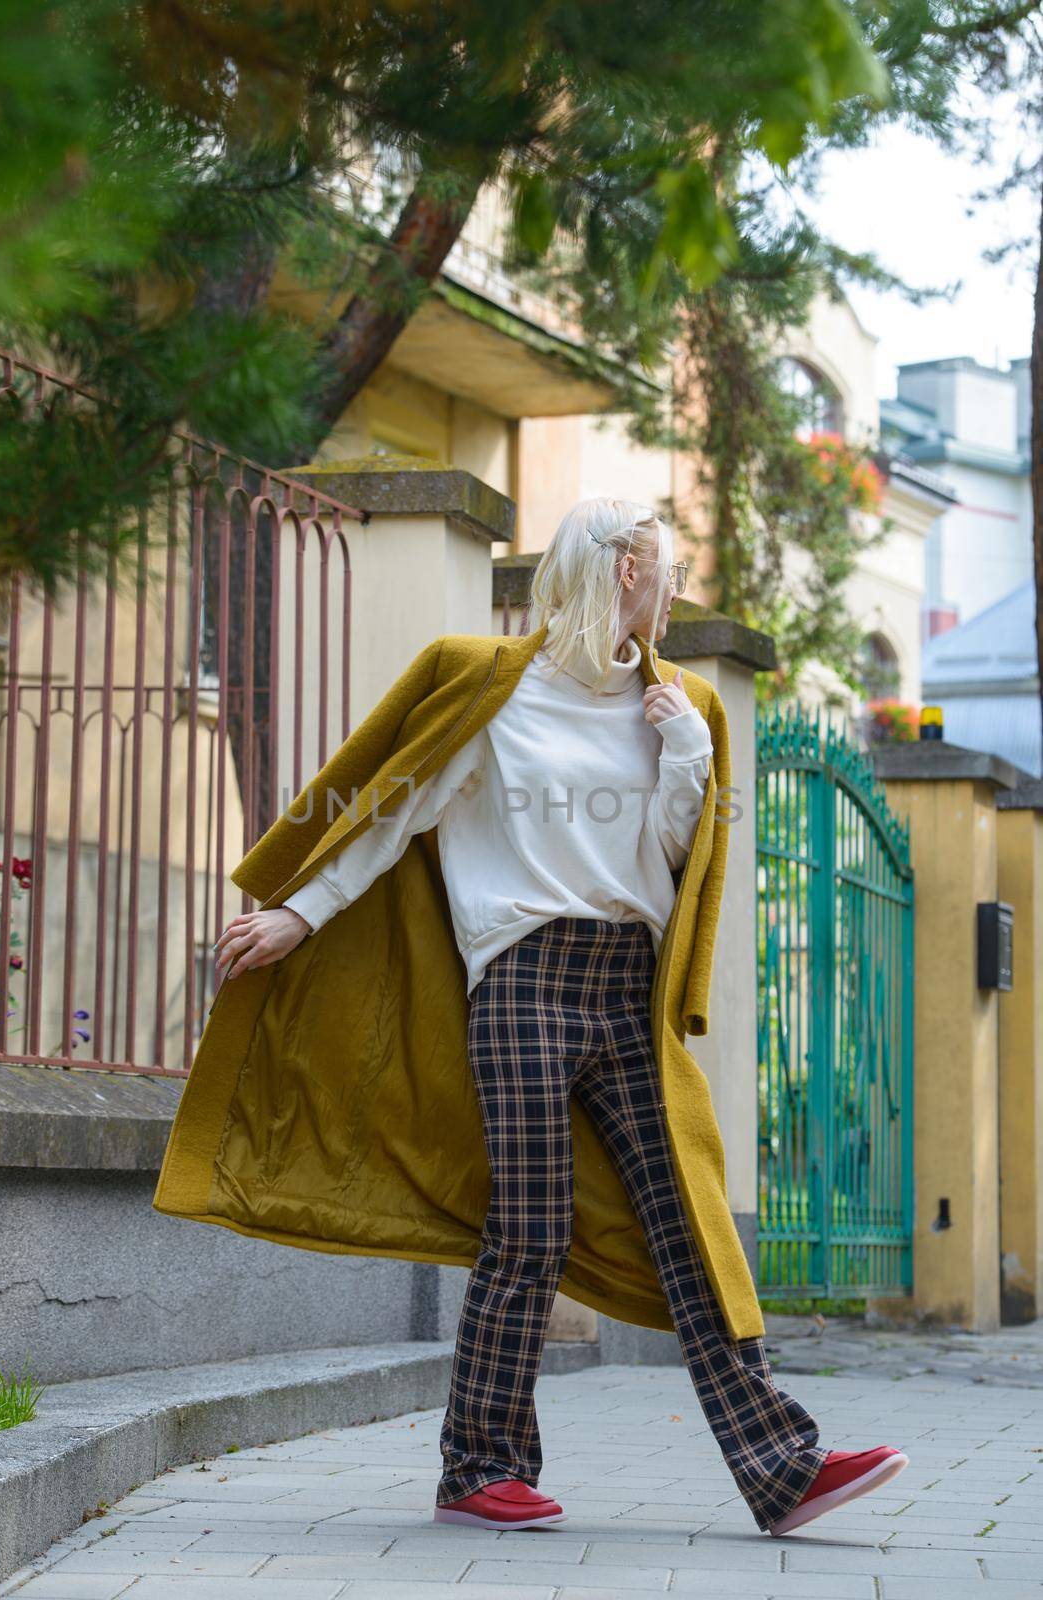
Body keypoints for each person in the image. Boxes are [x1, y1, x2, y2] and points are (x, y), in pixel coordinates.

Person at [211, 496, 908, 1537]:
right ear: (624, 571)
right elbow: (389, 813)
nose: (675, 592)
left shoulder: (675, 704)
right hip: (525, 980)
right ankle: (479, 1466)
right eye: (665, 571)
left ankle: (783, 1466)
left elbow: (677, 856)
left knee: (693, 1220)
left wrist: (685, 759)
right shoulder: (492, 691)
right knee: (530, 1229)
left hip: (628, 986)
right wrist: (298, 915)